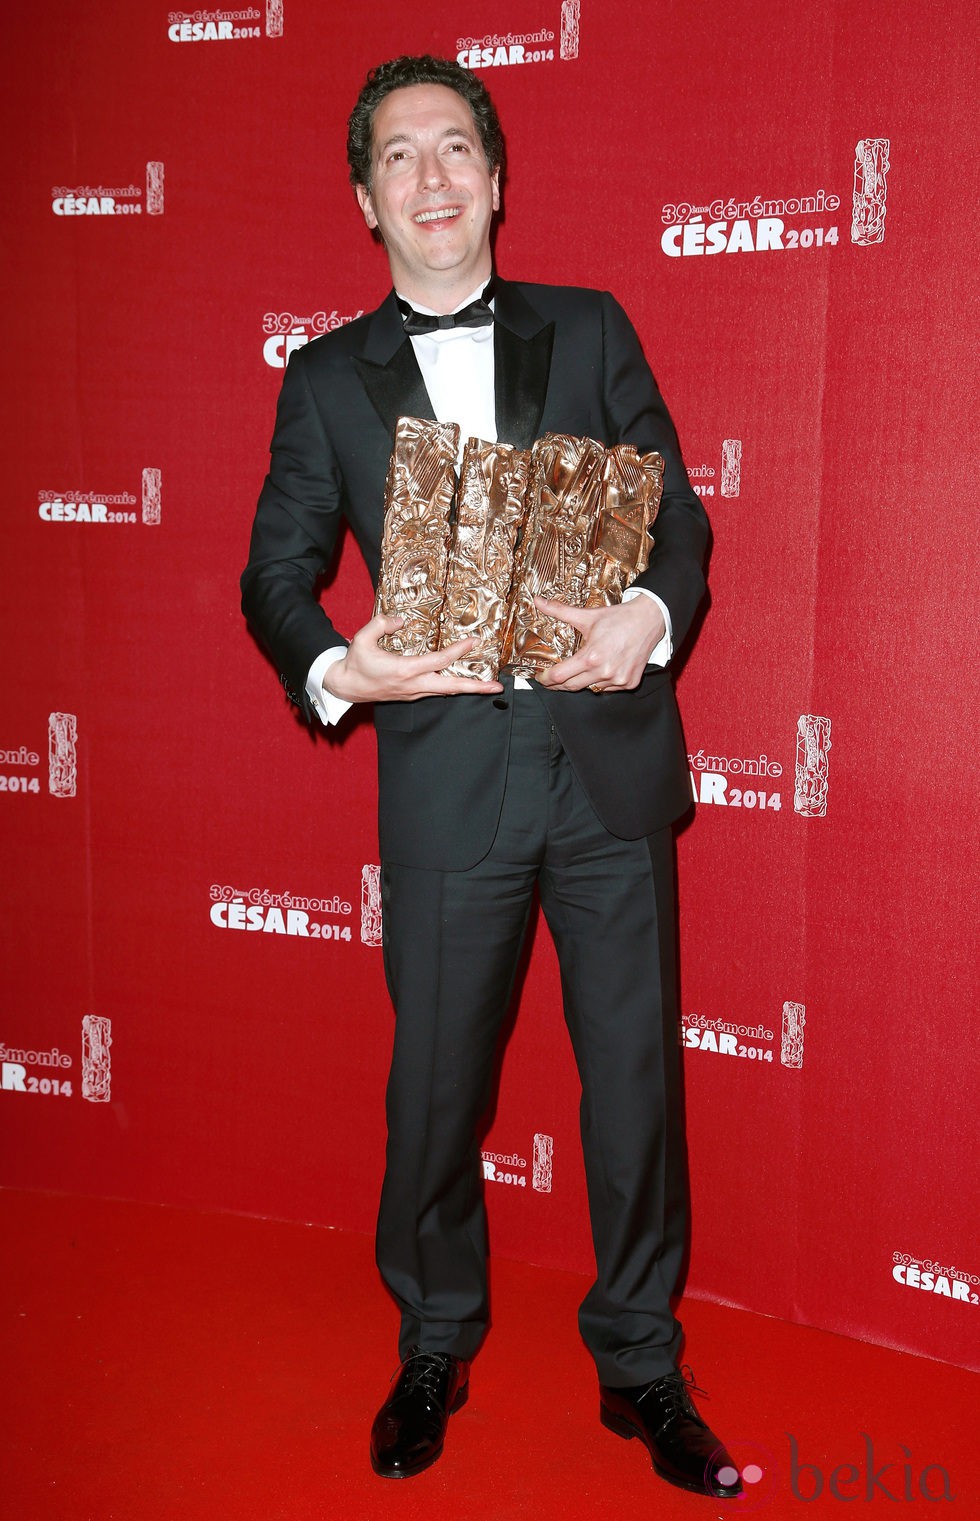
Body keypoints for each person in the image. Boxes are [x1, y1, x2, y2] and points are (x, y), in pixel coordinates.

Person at [242, 54, 739, 1499]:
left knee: (635, 1085)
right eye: (399, 158)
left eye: (456, 148)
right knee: (436, 1091)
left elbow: (679, 526)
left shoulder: (591, 329)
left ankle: (641, 1358)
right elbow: (277, 578)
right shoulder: (325, 378)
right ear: (364, 198)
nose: (433, 178)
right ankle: (437, 1332)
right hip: (447, 776)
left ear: (498, 178)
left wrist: (645, 622)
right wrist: (344, 671)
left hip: (605, 767)